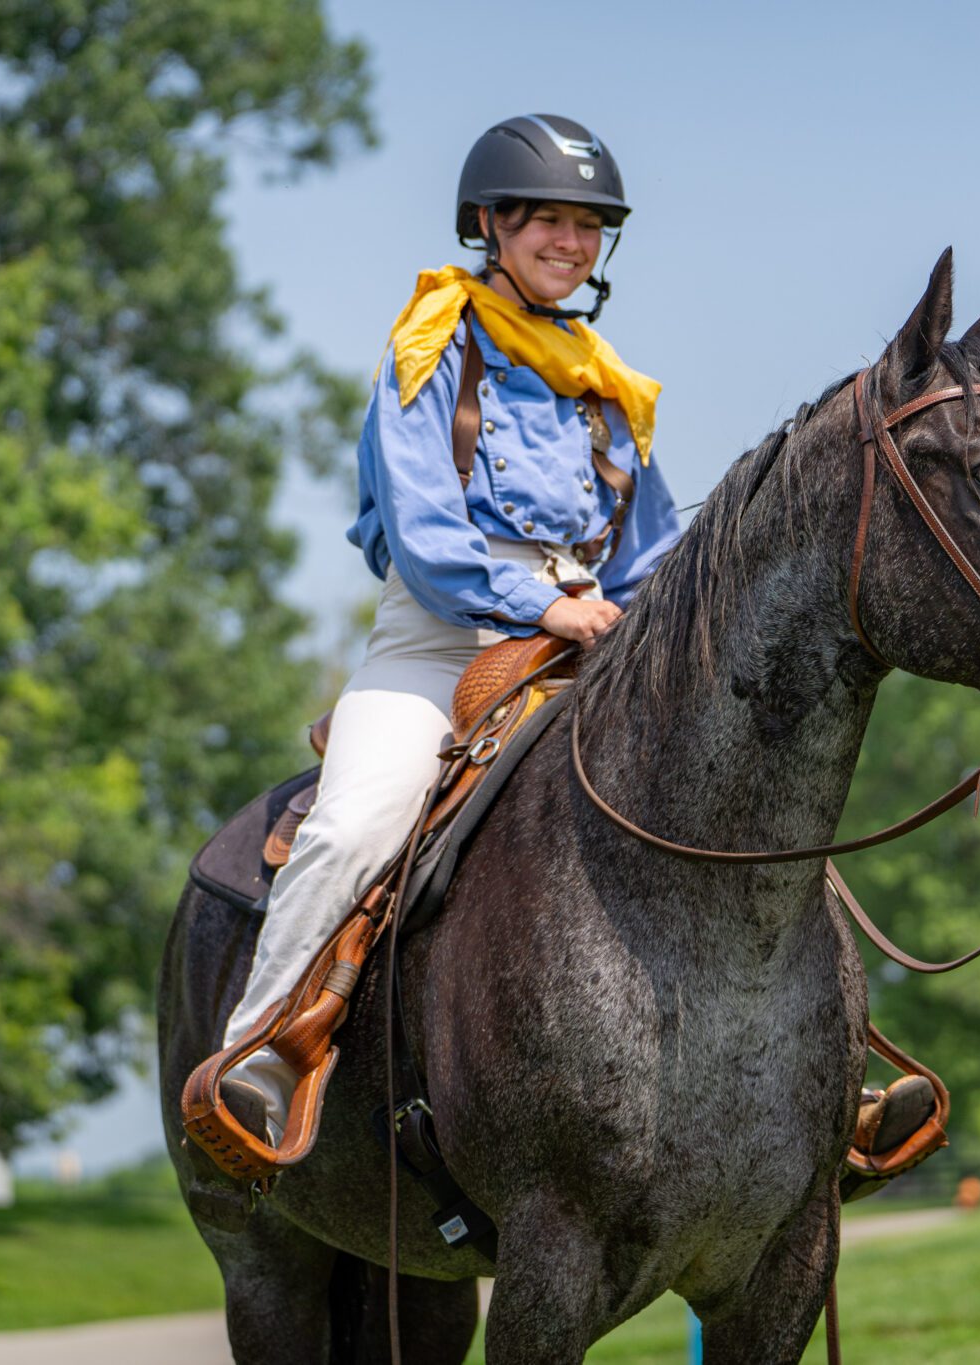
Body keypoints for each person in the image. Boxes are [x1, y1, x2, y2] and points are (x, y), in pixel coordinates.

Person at [209, 114, 681, 1142]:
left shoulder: (607, 386)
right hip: (444, 641)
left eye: (587, 226)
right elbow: (424, 537)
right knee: (352, 827)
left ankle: (825, 1075)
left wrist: (646, 625)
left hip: (588, 645)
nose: (569, 243)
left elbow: (645, 555)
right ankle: (253, 1060)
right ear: (490, 225)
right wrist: (542, 604)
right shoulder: (428, 348)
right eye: (547, 222)